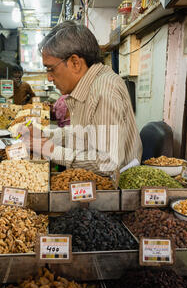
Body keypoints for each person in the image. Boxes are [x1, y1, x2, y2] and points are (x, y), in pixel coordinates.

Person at [23, 20, 142, 175]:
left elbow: (108, 162)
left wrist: (51, 150)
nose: (49, 78)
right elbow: (84, 134)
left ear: (75, 63)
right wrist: (44, 134)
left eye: (51, 69)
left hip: (118, 185)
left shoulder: (105, 89)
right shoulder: (86, 85)